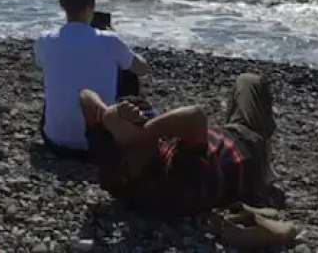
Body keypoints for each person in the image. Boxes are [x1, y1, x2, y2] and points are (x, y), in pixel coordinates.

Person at [81, 72, 278, 217]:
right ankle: (268, 160)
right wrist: (142, 133)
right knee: (248, 81)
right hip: (248, 149)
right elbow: (196, 115)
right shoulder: (172, 179)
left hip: (219, 141)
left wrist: (107, 113)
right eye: (143, 120)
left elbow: (85, 96)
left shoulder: (113, 164)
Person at [36, 0, 149, 159]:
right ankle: (124, 126)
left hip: (56, 141)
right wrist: (116, 39)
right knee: (128, 72)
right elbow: (142, 68)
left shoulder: (45, 40)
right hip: (100, 143)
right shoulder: (109, 40)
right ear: (92, 5)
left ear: (62, 5)